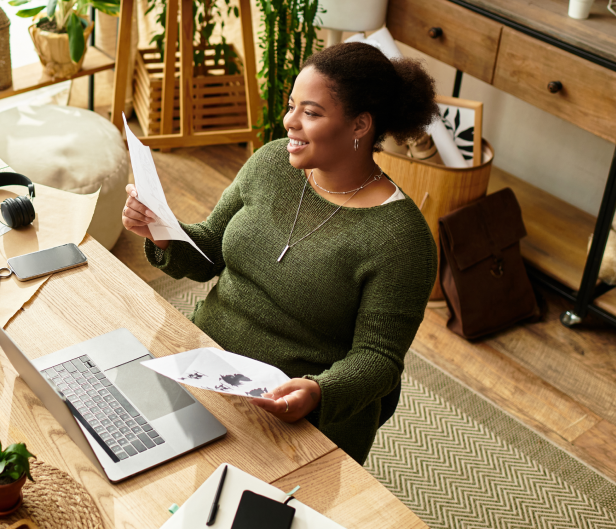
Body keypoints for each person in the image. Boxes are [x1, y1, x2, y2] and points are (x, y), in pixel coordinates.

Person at [122, 42, 438, 464]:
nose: (289, 121)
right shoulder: (272, 162)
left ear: (360, 124)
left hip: (293, 412)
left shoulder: (401, 240)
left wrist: (320, 391)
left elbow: (379, 360)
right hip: (202, 362)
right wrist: (162, 231)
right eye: (292, 106)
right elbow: (211, 248)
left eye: (311, 112)